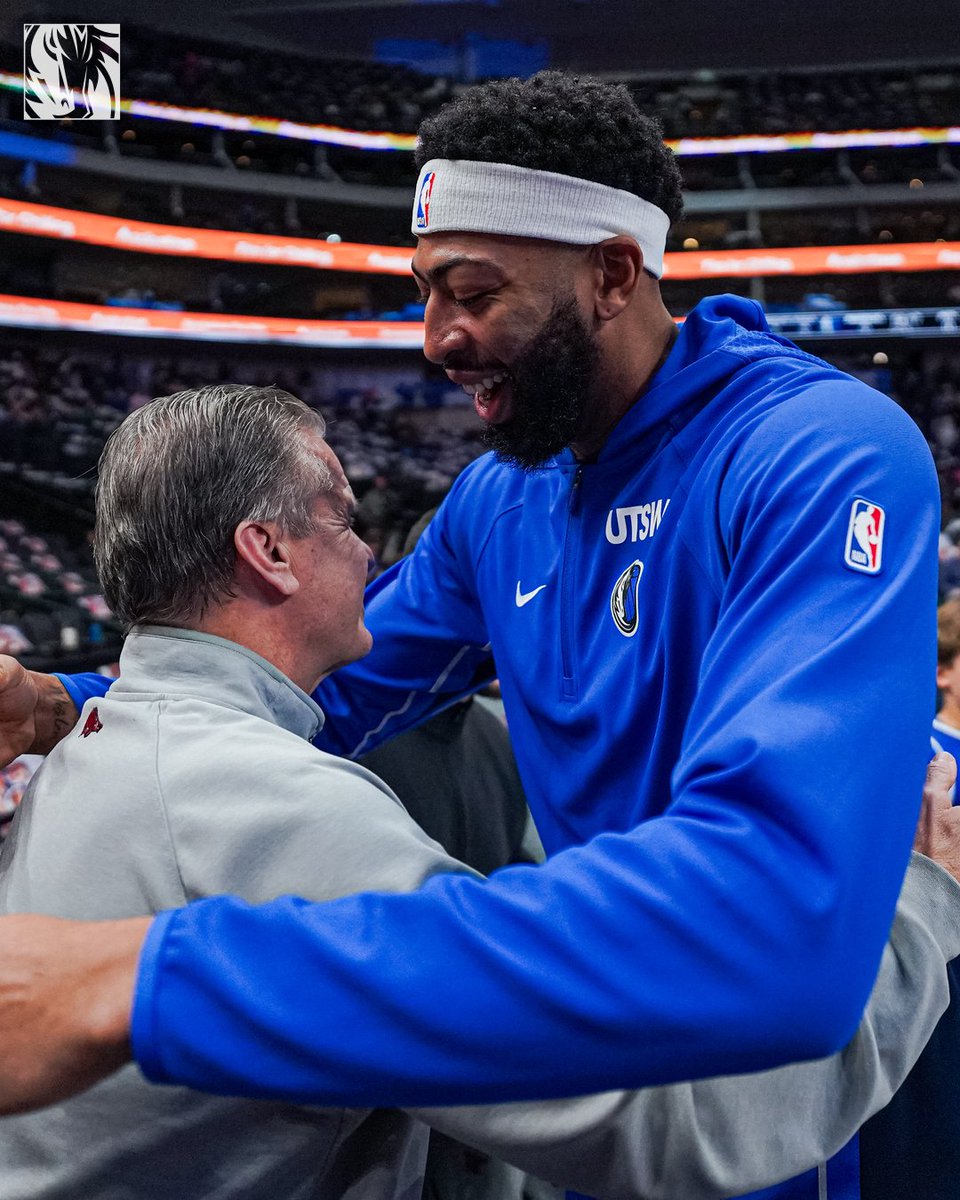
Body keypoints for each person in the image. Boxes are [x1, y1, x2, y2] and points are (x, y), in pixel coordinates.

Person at [0, 72, 941, 1200]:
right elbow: (324, 686)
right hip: (582, 1014)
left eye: (475, 293)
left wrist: (144, 980)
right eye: (426, 293)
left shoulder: (816, 451)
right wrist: (61, 704)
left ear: (610, 272)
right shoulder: (500, 501)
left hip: (756, 1076)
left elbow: (770, 913)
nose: (438, 339)